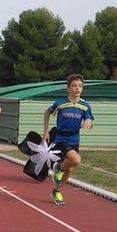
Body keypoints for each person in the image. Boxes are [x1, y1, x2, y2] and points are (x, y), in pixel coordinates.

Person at [44, 74, 94, 206]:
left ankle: (56, 191)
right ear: (68, 88)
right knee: (76, 160)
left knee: (69, 171)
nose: (77, 88)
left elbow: (89, 118)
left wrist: (88, 122)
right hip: (61, 138)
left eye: (80, 86)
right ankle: (58, 168)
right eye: (74, 86)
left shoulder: (85, 106)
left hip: (75, 139)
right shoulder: (60, 103)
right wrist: (45, 132)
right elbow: (47, 112)